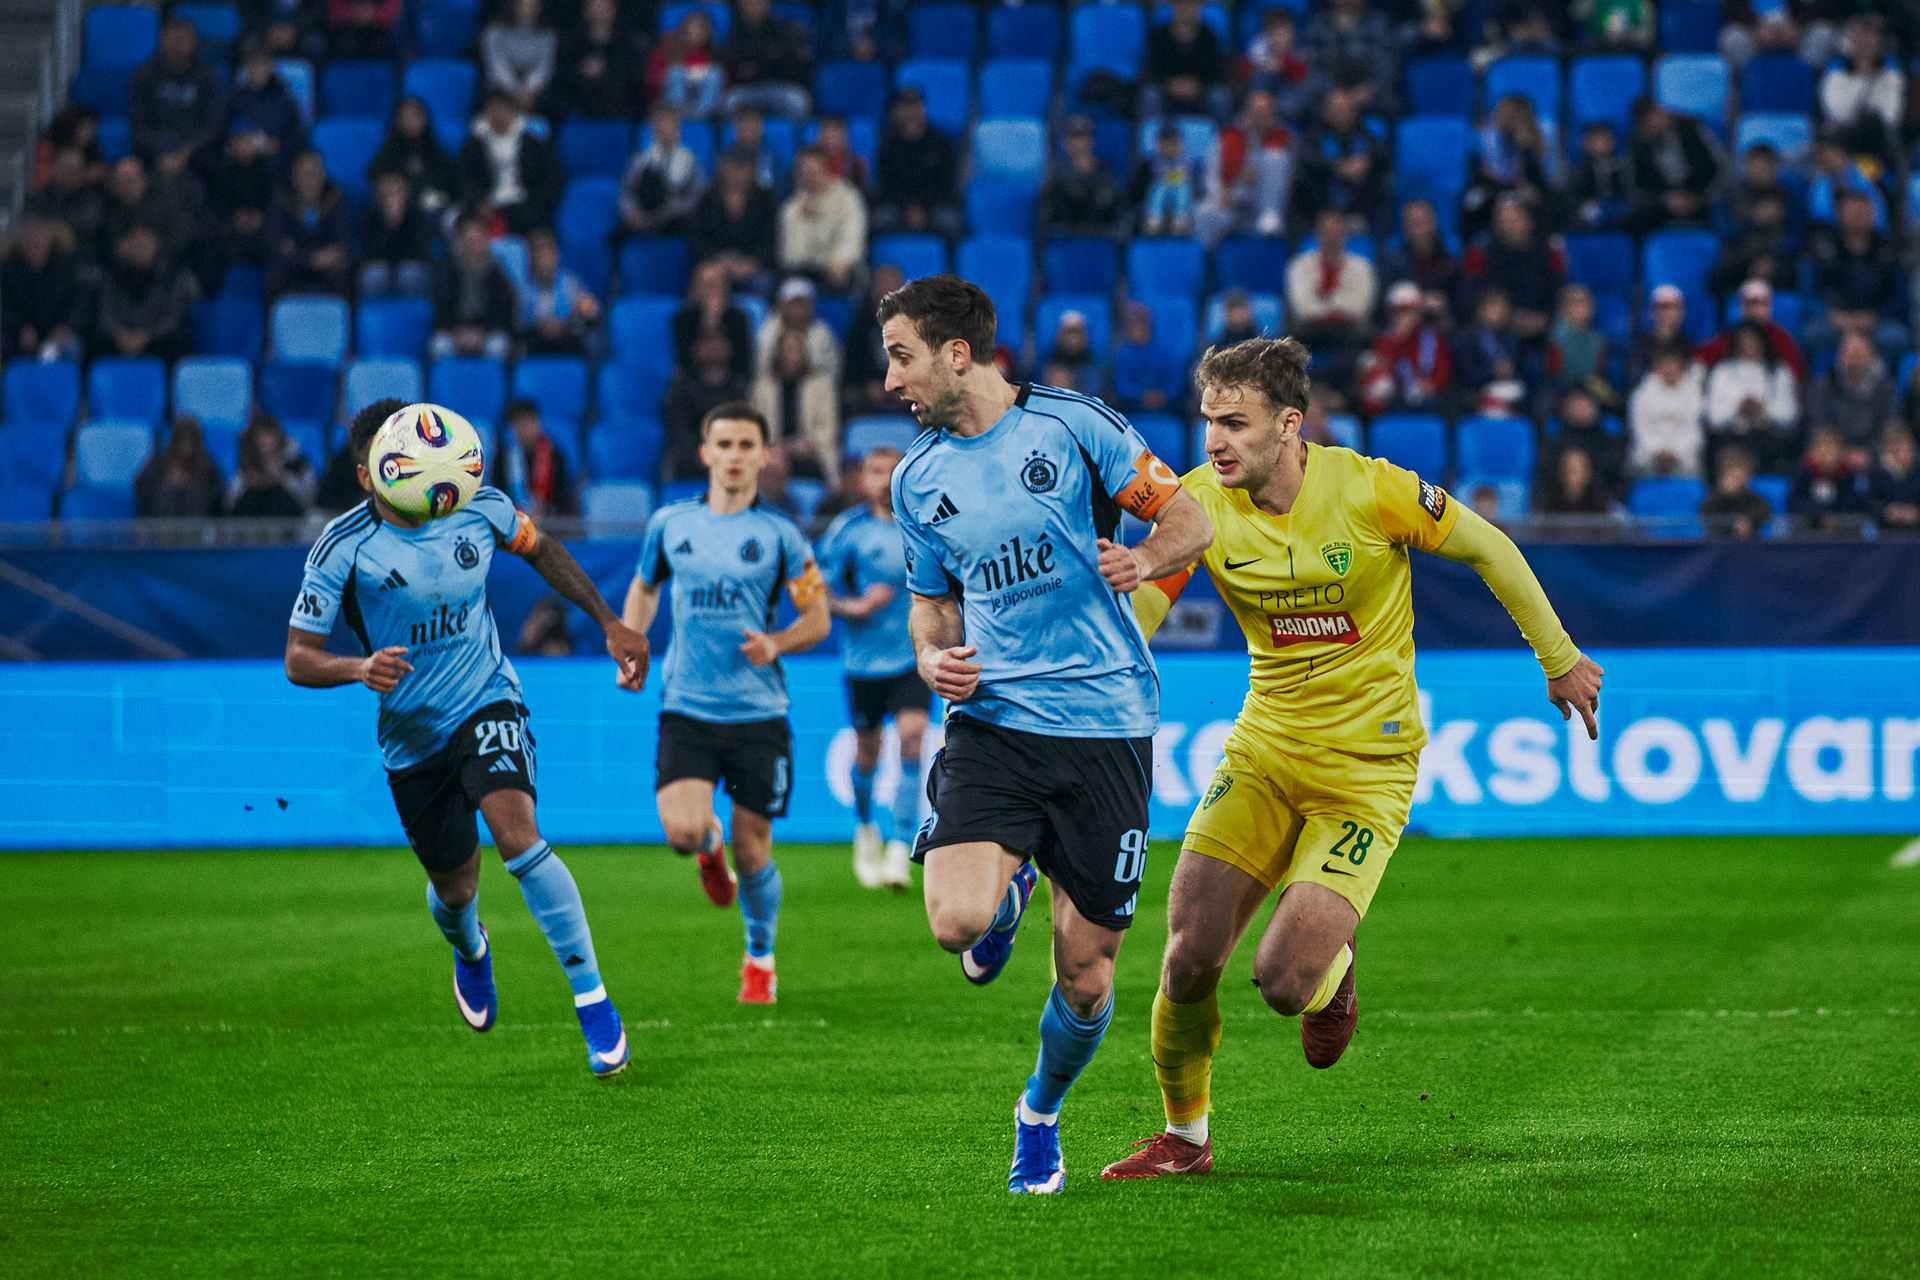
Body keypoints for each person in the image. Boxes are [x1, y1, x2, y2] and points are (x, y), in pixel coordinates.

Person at [1104, 335, 1600, 1180]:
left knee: (1281, 982)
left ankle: (1333, 971)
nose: (1213, 440)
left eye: (1234, 422)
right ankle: (1184, 1140)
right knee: (1187, 958)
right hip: (1263, 754)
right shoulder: (1196, 505)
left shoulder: (1372, 489)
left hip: (1367, 771)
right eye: (1207, 421)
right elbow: (1142, 614)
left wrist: (1558, 657)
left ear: (1288, 425)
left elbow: (1488, 547)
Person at [878, 274, 1213, 1194]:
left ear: (957, 354)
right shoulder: (916, 479)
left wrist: (1142, 557)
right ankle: (1004, 893)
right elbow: (930, 604)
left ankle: (1040, 1112)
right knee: (955, 922)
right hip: (995, 722)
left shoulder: (1074, 427)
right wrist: (930, 658)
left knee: (1088, 978)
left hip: (1107, 724)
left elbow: (1191, 520)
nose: (892, 380)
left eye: (902, 357)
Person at [287, 398, 650, 1078]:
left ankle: (593, 1001)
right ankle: (470, 947)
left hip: (486, 698)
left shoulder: (479, 505)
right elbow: (298, 658)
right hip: (411, 735)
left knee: (518, 834)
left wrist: (610, 621)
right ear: (367, 475)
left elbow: (542, 549)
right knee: (455, 890)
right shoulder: (343, 545)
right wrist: (358, 668)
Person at [621, 403, 831, 1005]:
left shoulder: (782, 536)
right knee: (683, 833)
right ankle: (708, 851)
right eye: (724, 444)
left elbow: (817, 618)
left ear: (764, 456)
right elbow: (645, 586)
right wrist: (632, 643)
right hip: (687, 706)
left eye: (746, 445)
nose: (734, 455)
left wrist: (777, 643)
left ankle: (759, 955)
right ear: (705, 452)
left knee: (754, 848)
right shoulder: (670, 524)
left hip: (758, 714)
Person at [817, 445, 926, 889]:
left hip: (914, 655)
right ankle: (865, 831)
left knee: (913, 740)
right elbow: (815, 592)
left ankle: (900, 847)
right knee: (868, 753)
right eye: (875, 471)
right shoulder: (847, 532)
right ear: (862, 480)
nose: (884, 479)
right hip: (864, 662)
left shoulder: (924, 526)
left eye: (892, 471)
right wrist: (856, 607)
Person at [1285, 207, 1376, 390]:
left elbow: (1360, 308)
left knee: (1364, 344)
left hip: (1348, 332)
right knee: (1287, 344)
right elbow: (1302, 308)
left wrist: (1324, 302)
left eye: (1336, 230)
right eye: (1327, 231)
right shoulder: (1299, 266)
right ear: (1317, 233)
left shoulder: (1363, 268)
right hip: (1311, 330)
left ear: (1344, 233)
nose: (1331, 236)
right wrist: (1338, 303)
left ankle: (1332, 391)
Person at [129, 16, 223, 179]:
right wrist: (160, 150)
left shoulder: (207, 79)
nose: (177, 46)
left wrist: (189, 149)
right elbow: (138, 124)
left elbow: (213, 124)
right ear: (162, 39)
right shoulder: (143, 77)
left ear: (193, 42)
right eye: (173, 40)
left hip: (196, 154)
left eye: (182, 40)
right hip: (153, 153)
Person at [459, 90, 562, 236]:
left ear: (512, 111)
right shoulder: (475, 145)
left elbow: (550, 177)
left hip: (524, 203)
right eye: (492, 109)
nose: (497, 114)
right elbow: (466, 177)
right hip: (489, 204)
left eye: (502, 108)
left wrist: (536, 203)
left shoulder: (531, 143)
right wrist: (478, 200)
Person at [1461, 195, 1563, 342]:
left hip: (1542, 323)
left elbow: (1559, 289)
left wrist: (1546, 318)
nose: (1507, 227)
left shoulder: (1548, 250)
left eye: (1514, 220)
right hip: (1497, 325)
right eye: (1502, 221)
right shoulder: (1482, 250)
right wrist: (1505, 316)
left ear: (1530, 222)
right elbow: (1469, 294)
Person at [1289, 87, 1389, 235]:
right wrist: (1336, 167)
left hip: (1361, 213)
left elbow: (1383, 154)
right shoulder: (1316, 135)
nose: (1340, 115)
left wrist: (1366, 162)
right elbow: (1306, 158)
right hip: (1322, 212)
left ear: (1354, 112)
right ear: (1326, 112)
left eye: (1345, 110)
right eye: (1335, 110)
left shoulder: (1365, 134)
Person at [92, 223, 198, 362]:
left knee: (178, 343)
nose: (141, 248)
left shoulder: (172, 276)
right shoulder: (112, 276)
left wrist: (147, 335)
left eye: (145, 243)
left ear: (156, 243)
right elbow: (106, 313)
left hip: (159, 342)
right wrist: (120, 335)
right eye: (136, 243)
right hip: (118, 342)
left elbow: (173, 316)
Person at [1704, 322, 1798, 473]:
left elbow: (1790, 416)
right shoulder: (1722, 371)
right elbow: (1714, 418)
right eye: (1744, 340)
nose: (1748, 345)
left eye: (1753, 339)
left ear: (1763, 342)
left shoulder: (1779, 372)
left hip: (1769, 439)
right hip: (1732, 438)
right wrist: (1738, 407)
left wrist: (1763, 408)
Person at [1462, 94, 1558, 239]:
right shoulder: (1490, 135)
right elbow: (1488, 172)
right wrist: (1513, 187)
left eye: (1508, 115)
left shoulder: (1543, 132)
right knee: (1472, 202)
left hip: (1536, 188)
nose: (1501, 119)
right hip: (1498, 187)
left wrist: (1526, 146)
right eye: (1499, 113)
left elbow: (1551, 176)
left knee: (1543, 201)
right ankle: (1478, 244)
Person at [753, 327, 839, 484]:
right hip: (773, 452)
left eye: (796, 349)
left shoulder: (821, 385)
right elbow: (756, 427)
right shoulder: (763, 387)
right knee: (770, 466)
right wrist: (777, 447)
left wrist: (806, 445)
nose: (791, 355)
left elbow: (828, 429)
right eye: (786, 349)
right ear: (777, 353)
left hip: (811, 452)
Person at [1203, 90, 1293, 240]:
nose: (1260, 118)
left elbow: (1289, 178)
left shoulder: (1285, 138)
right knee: (1204, 213)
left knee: (1275, 156)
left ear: (1273, 114)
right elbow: (1211, 173)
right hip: (1232, 196)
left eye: (1265, 113)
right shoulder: (1228, 137)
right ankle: (1206, 252)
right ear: (1247, 112)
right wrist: (1219, 194)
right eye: (1256, 113)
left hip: (1263, 199)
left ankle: (1269, 216)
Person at [662, 332, 751, 479]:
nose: (714, 347)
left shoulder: (738, 389)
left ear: (729, 348)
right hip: (691, 464)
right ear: (696, 349)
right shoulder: (682, 389)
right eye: (708, 342)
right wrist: (701, 452)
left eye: (719, 341)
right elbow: (677, 430)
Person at [265, 150, 352, 300]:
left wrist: (297, 253)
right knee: (275, 277)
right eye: (305, 175)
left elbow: (342, 244)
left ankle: (345, 316)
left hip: (326, 265)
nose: (309, 182)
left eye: (314, 174)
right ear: (294, 178)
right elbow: (274, 245)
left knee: (341, 276)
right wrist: (311, 259)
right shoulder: (282, 200)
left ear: (323, 176)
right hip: (295, 265)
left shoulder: (335, 199)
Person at [689, 146, 778, 291]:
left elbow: (770, 239)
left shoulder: (765, 200)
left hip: (753, 265)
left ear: (753, 170)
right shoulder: (708, 199)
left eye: (743, 168)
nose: (737, 173)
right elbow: (697, 238)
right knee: (707, 277)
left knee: (762, 283)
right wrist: (718, 258)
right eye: (733, 167)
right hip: (716, 262)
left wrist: (752, 263)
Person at [872, 89, 958, 238]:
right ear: (896, 112)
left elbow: (946, 183)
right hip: (898, 206)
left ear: (923, 109)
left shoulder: (942, 143)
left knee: (949, 220)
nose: (910, 112)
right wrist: (907, 208)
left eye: (914, 106)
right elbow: (887, 186)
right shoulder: (888, 146)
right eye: (905, 107)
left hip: (934, 205)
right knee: (881, 218)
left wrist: (924, 207)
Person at [432, 213, 518, 360]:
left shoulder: (497, 274)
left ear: (485, 241)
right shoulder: (447, 271)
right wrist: (455, 331)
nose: (472, 245)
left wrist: (482, 332)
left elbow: (503, 311)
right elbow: (441, 308)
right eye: (468, 240)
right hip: (454, 331)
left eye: (476, 240)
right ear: (460, 242)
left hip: (487, 332)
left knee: (497, 346)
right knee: (439, 346)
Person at [1627, 97, 1721, 232]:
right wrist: (1665, 200)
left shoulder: (1693, 129)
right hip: (1659, 206)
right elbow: (1635, 187)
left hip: (1701, 199)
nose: (1653, 123)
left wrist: (1699, 198)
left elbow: (1720, 170)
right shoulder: (1637, 144)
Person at [1359, 281, 1452, 416]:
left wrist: (1428, 387)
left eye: (1407, 311)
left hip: (1428, 401)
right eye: (1396, 312)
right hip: (1394, 400)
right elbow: (1379, 372)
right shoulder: (1383, 340)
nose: (1401, 317)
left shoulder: (1431, 338)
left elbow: (1442, 373)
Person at [1820, 15, 1901, 163]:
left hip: (1878, 139)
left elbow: (1890, 115)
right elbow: (1836, 111)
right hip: (1845, 138)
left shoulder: (1890, 75)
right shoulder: (1836, 74)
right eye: (1860, 38)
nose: (1865, 43)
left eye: (1870, 39)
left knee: (1871, 121)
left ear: (1880, 44)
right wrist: (1860, 80)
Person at [1, 218, 84, 361]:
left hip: (58, 332)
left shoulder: (66, 269)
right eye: (32, 240)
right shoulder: (8, 270)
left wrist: (64, 328)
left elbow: (78, 305)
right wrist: (21, 328)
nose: (37, 244)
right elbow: (5, 308)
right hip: (17, 333)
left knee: (72, 347)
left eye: (41, 239)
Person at [1807, 330, 1898, 455]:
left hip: (1875, 452)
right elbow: (1820, 424)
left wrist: (1870, 452)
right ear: (1840, 356)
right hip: (1833, 452)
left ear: (1872, 357)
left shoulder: (1885, 385)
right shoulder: (1824, 384)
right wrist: (1842, 452)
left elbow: (1889, 425)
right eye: (1848, 354)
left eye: (1858, 355)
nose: (1853, 361)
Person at [621, 107, 707, 236]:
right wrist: (631, 212)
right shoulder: (640, 160)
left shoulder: (691, 161)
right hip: (643, 214)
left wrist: (672, 210)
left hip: (675, 218)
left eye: (668, 124)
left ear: (677, 128)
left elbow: (696, 196)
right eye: (659, 124)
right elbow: (626, 192)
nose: (664, 129)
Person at [1697, 280, 1807, 382]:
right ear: (1742, 307)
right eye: (1751, 304)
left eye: (1761, 304)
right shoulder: (1729, 337)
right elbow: (1700, 361)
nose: (1755, 310)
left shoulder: (1781, 339)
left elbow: (1796, 373)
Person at [724, 0, 813, 120]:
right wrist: (767, 59)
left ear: (767, 5)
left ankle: (784, 131)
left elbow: (788, 64)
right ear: (740, 7)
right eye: (748, 4)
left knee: (799, 101)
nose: (752, 8)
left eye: (757, 3)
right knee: (729, 102)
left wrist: (758, 66)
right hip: (748, 89)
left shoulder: (780, 29)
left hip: (777, 86)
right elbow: (737, 67)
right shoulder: (734, 32)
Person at [1143, 0, 1231, 122]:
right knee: (1150, 95)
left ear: (1198, 9)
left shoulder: (1208, 35)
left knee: (1219, 97)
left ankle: (1226, 133)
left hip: (1200, 88)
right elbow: (1153, 69)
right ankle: (1147, 133)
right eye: (1182, 6)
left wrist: (1197, 85)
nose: (1186, 11)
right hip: (1166, 87)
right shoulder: (1159, 35)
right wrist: (1171, 85)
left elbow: (1215, 70)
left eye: (1190, 7)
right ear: (1174, 9)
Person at [369, 98, 461, 214]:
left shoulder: (435, 151)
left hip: (432, 208)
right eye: (405, 117)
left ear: (424, 119)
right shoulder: (390, 150)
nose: (410, 122)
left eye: (414, 117)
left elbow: (449, 182)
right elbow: (374, 173)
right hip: (400, 208)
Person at [1628, 340, 1706, 477]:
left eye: (1674, 364)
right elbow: (1640, 429)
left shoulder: (1693, 393)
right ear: (1658, 366)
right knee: (1639, 460)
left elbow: (1694, 430)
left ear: (1681, 367)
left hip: (1682, 453)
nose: (1670, 369)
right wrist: (1657, 451)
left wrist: (1675, 451)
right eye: (1666, 364)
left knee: (1692, 461)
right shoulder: (1642, 394)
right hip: (1650, 452)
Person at [518, 228, 601, 356]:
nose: (544, 262)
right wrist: (540, 326)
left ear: (556, 256)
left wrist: (581, 313)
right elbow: (519, 322)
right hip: (536, 343)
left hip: (567, 341)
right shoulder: (525, 289)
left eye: (547, 256)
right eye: (540, 257)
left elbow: (592, 312)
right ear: (532, 260)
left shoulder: (571, 283)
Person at [493, 399, 579, 517]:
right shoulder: (503, 458)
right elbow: (497, 495)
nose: (526, 428)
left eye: (530, 421)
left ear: (538, 423)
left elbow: (564, 498)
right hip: (512, 519)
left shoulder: (555, 456)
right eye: (520, 422)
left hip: (548, 520)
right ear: (512, 426)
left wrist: (545, 510)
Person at [556, 0, 640, 120]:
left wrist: (606, 71)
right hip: (576, 114)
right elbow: (562, 80)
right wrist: (581, 71)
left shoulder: (626, 46)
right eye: (595, 6)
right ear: (585, 10)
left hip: (617, 115)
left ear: (613, 10)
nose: (599, 11)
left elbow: (632, 84)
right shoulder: (571, 45)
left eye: (604, 7)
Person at [1041, 116, 1123, 237]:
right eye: (1074, 138)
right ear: (1065, 142)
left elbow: (1116, 214)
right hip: (1064, 239)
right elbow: (1047, 216)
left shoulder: (1106, 174)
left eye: (1084, 137)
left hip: (1099, 239)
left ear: (1092, 141)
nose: (1079, 143)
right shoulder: (1056, 175)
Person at [359, 171, 436, 298]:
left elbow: (419, 252)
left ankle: (414, 310)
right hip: (382, 265)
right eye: (387, 191)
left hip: (412, 265)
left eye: (396, 190)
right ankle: (377, 311)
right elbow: (370, 253)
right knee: (374, 275)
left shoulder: (418, 214)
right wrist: (390, 225)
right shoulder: (370, 215)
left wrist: (399, 221)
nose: (391, 196)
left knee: (409, 274)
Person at [1376, 198, 1459, 313]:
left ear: (1434, 222)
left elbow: (1461, 303)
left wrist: (1444, 302)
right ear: (1405, 228)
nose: (1419, 230)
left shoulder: (1451, 260)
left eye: (1422, 222)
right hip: (1405, 317)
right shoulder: (1393, 264)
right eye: (1413, 224)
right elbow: (1383, 303)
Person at [756, 276, 841, 382]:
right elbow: (761, 372)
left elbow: (832, 371)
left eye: (802, 304)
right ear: (782, 304)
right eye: (793, 303)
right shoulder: (767, 333)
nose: (797, 310)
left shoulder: (823, 333)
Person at [481, 0, 559, 117]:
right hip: (500, 89)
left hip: (533, 93)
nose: (528, 9)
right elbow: (497, 66)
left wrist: (529, 90)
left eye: (533, 5)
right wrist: (514, 91)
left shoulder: (547, 35)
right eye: (524, 5)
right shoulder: (495, 32)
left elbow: (543, 68)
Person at [229, 411, 316, 513]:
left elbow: (309, 500)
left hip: (289, 518)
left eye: (269, 436)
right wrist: (247, 483)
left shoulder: (298, 465)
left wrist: (283, 478)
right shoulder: (247, 466)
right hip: (251, 519)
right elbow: (229, 502)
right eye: (260, 437)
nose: (266, 442)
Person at [1788, 425, 1871, 532]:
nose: (1827, 453)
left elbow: (1854, 505)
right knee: (1796, 521)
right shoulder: (1804, 471)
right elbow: (1794, 503)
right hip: (1812, 520)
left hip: (1839, 522)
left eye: (1832, 448)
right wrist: (1820, 515)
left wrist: (1834, 517)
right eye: (1822, 447)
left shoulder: (1848, 473)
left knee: (1856, 520)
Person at [1238, 7, 1317, 120]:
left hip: (1289, 95)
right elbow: (1242, 73)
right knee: (1260, 75)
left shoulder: (1299, 49)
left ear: (1292, 31)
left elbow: (1299, 78)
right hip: (1264, 94)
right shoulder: (1258, 45)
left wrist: (1283, 60)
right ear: (1267, 33)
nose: (1280, 37)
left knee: (1308, 87)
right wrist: (1262, 66)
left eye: (1284, 32)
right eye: (1275, 32)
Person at [136, 418, 225, 517]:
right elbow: (143, 490)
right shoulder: (159, 465)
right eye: (182, 439)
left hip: (198, 523)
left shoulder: (207, 469)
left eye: (190, 440)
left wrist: (192, 483)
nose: (186, 445)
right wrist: (170, 482)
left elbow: (218, 501)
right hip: (163, 523)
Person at [647, 8, 725, 118]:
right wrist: (666, 75)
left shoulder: (713, 53)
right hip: (669, 99)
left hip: (700, 101)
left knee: (715, 72)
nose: (696, 31)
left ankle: (701, 117)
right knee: (676, 72)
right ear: (683, 28)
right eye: (692, 27)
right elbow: (652, 80)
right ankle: (678, 113)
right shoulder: (667, 49)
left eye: (700, 28)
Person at [1111, 301, 1184, 414]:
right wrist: (1142, 396)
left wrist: (1162, 396)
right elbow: (1121, 386)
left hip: (1166, 408)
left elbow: (1176, 383)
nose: (1137, 328)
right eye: (1132, 324)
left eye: (1141, 323)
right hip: (1133, 409)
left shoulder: (1166, 353)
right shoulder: (1122, 355)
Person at [1565, 120, 1632, 233]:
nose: (1602, 143)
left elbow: (1628, 191)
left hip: (1618, 208)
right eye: (1597, 139)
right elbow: (1574, 196)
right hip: (1591, 211)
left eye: (1605, 138)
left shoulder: (1621, 164)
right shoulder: (1582, 168)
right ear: (1587, 142)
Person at [1698, 444, 1776, 540]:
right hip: (1718, 545)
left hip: (1750, 545)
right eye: (1731, 471)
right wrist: (1724, 495)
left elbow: (1765, 516)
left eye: (1740, 472)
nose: (1736, 477)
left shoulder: (1756, 502)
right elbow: (1708, 520)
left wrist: (1748, 522)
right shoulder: (1712, 501)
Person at [1534, 443, 1614, 517]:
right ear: (1560, 472)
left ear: (1588, 473)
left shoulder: (1602, 505)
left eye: (1576, 470)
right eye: (1567, 469)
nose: (1571, 474)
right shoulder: (1547, 504)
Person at [1866, 424, 1920, 533]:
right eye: (1892, 444)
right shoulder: (1876, 474)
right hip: (1884, 534)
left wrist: (1916, 512)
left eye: (1901, 443)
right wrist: (1887, 511)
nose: (1897, 449)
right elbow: (1867, 504)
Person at [327, 0, 402, 60]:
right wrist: (355, 13)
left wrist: (372, 14)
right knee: (345, 45)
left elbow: (391, 12)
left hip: (380, 31)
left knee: (380, 46)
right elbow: (335, 11)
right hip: (346, 30)